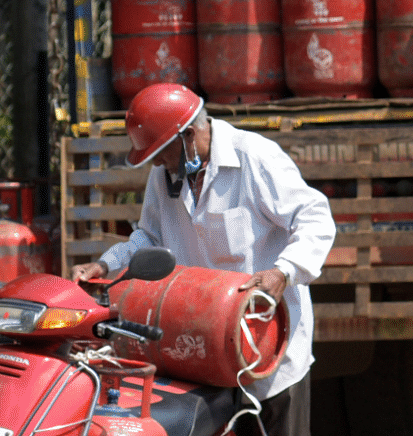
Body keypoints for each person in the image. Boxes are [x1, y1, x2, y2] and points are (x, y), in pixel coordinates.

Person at [72, 83, 336, 436]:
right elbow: (149, 237)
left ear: (190, 135)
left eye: (163, 152)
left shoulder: (254, 157)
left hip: (266, 347)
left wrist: (283, 273)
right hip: (202, 348)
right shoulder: (164, 174)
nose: (158, 162)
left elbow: (314, 216)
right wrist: (106, 264)